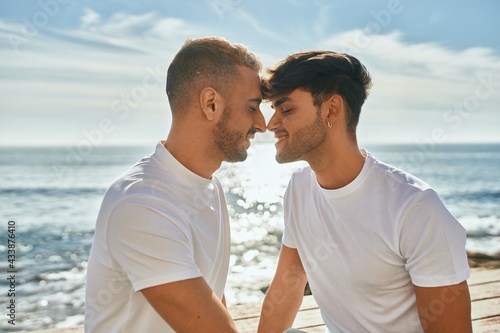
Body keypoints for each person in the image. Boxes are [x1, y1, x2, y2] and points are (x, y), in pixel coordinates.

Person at [257, 51, 472, 333]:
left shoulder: (415, 207)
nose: (271, 124)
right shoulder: (299, 188)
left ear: (331, 110)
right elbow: (289, 282)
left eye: (285, 110)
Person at [84, 36, 266, 332]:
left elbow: (211, 301)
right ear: (211, 104)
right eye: (252, 107)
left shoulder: (210, 186)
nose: (262, 123)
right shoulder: (142, 203)